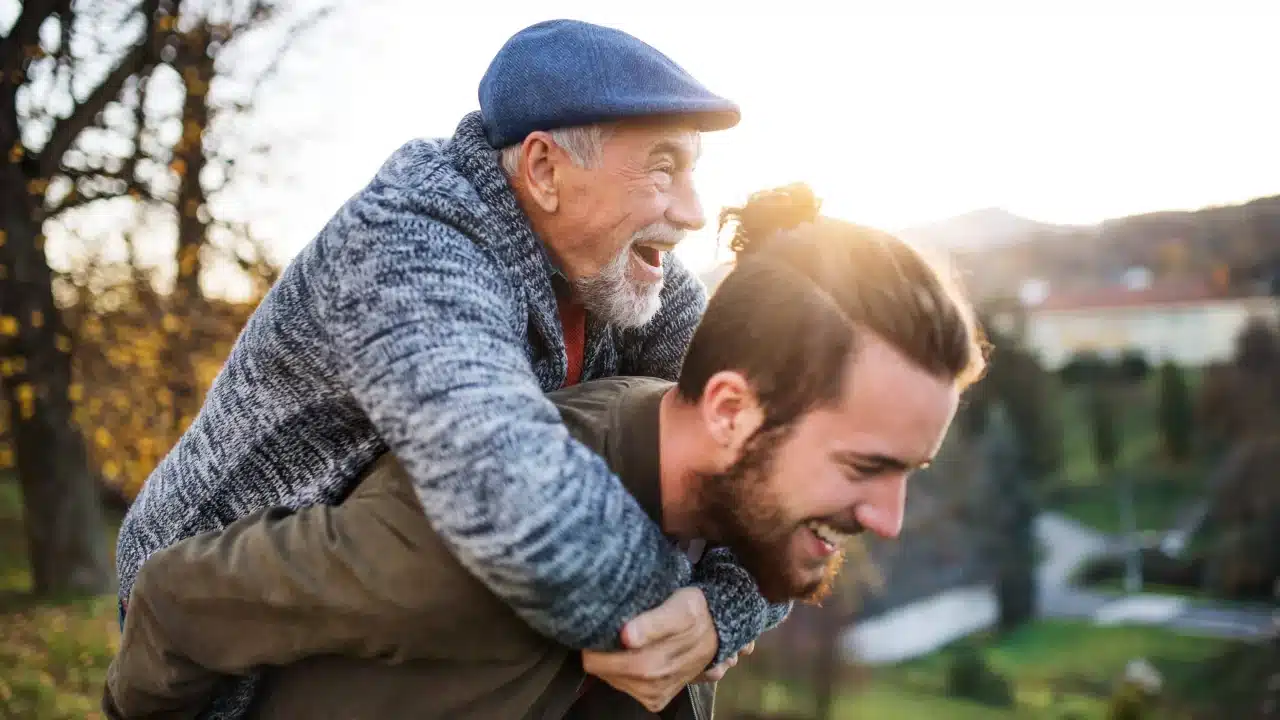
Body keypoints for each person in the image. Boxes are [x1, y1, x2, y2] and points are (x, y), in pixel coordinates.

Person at [104, 183, 988, 719]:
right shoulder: (468, 540)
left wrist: (724, 613)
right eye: (866, 467)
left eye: (908, 470)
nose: (891, 519)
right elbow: (178, 602)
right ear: (728, 413)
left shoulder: (726, 499)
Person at [113, 18, 782, 717]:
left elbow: (779, 459)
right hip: (227, 621)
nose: (695, 212)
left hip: (420, 593)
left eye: (693, 171)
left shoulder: (640, 275)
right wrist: (677, 618)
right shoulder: (410, 240)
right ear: (546, 169)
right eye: (663, 168)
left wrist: (719, 613)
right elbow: (511, 497)